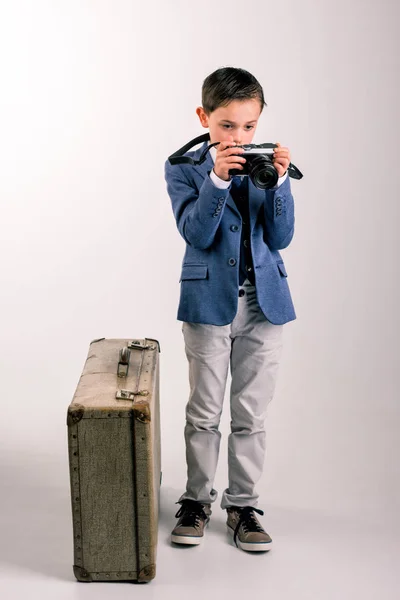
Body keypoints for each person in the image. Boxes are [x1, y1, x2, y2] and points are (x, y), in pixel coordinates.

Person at [164, 66, 297, 552]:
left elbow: (280, 239)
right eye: (226, 126)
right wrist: (217, 181)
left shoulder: (268, 166)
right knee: (203, 411)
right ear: (204, 117)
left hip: (265, 304)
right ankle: (197, 500)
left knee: (250, 413)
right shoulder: (183, 167)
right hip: (207, 303)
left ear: (259, 122)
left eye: (248, 127)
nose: (238, 137)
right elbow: (196, 234)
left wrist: (280, 185)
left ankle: (243, 505)